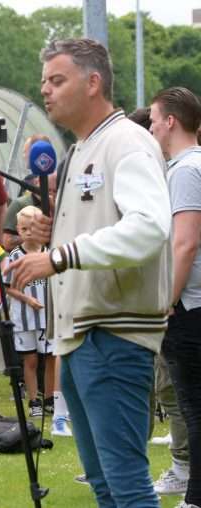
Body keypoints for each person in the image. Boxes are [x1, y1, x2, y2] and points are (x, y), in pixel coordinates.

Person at [7, 38, 171, 507]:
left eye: (57, 80)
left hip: (114, 334)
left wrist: (58, 256)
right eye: (44, 82)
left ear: (93, 82)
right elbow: (102, 228)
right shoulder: (82, 148)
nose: (46, 91)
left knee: (127, 484)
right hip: (81, 336)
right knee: (104, 484)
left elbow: (149, 228)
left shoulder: (127, 142)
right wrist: (51, 230)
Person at [149, 86, 201, 506]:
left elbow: (184, 243)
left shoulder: (185, 169)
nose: (150, 128)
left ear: (171, 122)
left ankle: (195, 497)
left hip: (189, 306)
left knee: (193, 408)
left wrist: (167, 299)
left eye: (153, 119)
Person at [1, 206, 55, 418]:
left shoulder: (49, 253)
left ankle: (50, 398)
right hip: (24, 317)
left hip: (47, 317)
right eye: (24, 229)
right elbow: (7, 286)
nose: (29, 233)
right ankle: (34, 401)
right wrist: (27, 299)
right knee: (30, 360)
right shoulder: (14, 255)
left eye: (32, 228)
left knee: (50, 357)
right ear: (18, 230)